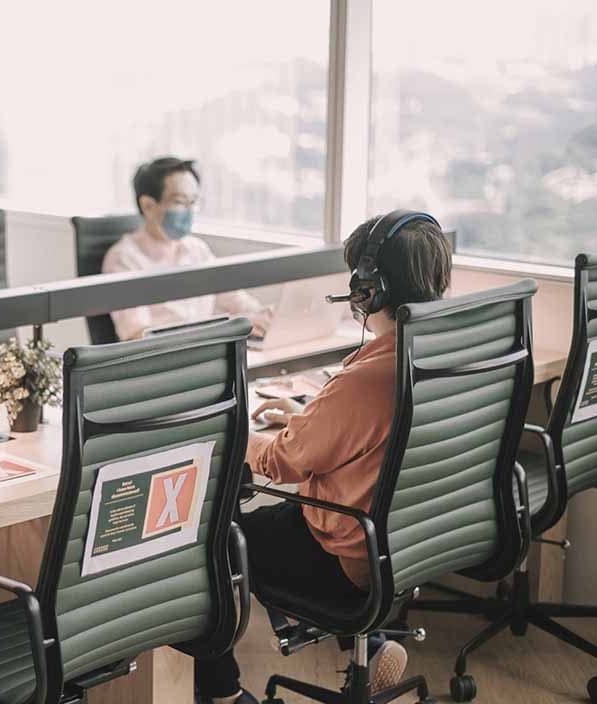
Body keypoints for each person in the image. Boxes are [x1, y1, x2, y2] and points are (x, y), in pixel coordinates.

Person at [194, 212, 453, 704]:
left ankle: (220, 692)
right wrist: (308, 413)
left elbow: (279, 462)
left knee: (208, 546)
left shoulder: (366, 380)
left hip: (348, 559)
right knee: (272, 520)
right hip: (416, 541)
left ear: (368, 287)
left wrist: (230, 432)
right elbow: (362, 434)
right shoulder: (448, 351)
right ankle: (373, 645)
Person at [102, 157, 269, 340]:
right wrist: (225, 328)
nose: (189, 211)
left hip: (207, 354)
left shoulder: (196, 250)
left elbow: (237, 301)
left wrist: (261, 316)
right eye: (180, 202)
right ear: (148, 206)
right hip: (164, 363)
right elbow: (137, 336)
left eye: (194, 202)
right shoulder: (124, 258)